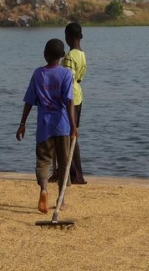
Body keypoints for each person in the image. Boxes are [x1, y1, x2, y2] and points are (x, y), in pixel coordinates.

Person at [16, 39, 78, 214]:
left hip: (44, 125)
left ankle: (44, 189)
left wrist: (22, 123)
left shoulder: (38, 74)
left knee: (43, 160)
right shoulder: (66, 74)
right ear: (62, 56)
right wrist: (74, 126)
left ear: (45, 54)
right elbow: (69, 102)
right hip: (62, 125)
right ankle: (61, 198)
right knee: (64, 162)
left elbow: (29, 101)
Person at [49, 23, 88, 184]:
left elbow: (68, 79)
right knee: (71, 135)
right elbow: (79, 78)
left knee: (66, 135)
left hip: (69, 98)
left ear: (69, 37)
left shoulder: (70, 56)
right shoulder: (82, 54)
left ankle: (73, 174)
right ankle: (72, 173)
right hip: (78, 96)